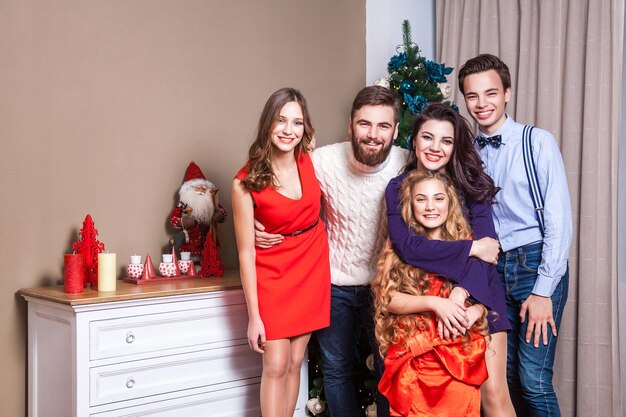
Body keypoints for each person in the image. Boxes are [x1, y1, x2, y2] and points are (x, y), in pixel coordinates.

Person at [256, 85, 409, 417]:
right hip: (332, 282)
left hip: (385, 286)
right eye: (364, 124)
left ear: (396, 131)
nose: (373, 134)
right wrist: (256, 223)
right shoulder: (322, 160)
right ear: (351, 124)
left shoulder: (407, 164)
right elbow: (273, 181)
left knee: (389, 368)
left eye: (383, 126)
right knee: (337, 370)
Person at [458, 54, 572, 416]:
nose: (481, 104)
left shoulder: (536, 142)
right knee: (498, 381)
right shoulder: (466, 152)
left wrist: (543, 291)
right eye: (472, 96)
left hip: (535, 264)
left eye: (490, 93)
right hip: (491, 270)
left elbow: (559, 221)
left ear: (507, 93)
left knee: (534, 380)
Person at [385, 103, 516, 417]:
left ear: (456, 146)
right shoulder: (398, 189)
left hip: (479, 294)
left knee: (493, 393)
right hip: (424, 300)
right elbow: (407, 247)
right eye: (427, 137)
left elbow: (488, 256)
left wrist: (462, 296)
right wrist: (470, 248)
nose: (435, 147)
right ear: (413, 141)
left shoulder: (472, 186)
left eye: (446, 140)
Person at [232, 87, 331, 417]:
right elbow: (246, 253)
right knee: (274, 362)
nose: (289, 130)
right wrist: (254, 317)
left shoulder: (308, 156)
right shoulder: (244, 182)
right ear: (267, 124)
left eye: (298, 122)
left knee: (294, 360)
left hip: (310, 263)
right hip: (272, 273)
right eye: (281, 120)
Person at [373, 170, 490, 417]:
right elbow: (389, 298)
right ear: (410, 204)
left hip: (459, 358)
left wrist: (474, 312)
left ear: (450, 202)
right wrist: (435, 303)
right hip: (415, 364)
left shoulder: (469, 245)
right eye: (421, 199)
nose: (430, 207)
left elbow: (485, 293)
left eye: (438, 198)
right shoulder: (402, 247)